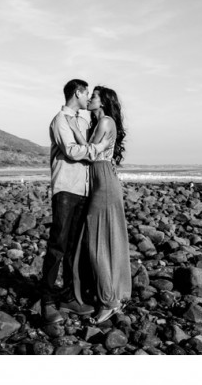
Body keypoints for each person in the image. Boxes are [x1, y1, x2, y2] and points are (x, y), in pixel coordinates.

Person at [41, 79, 110, 325]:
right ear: (78, 93)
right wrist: (95, 151)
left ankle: (70, 296)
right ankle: (47, 301)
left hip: (84, 189)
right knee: (58, 245)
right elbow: (71, 150)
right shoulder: (60, 120)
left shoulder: (84, 120)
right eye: (87, 93)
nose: (88, 97)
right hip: (66, 188)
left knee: (74, 247)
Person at [66, 85, 131, 324]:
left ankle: (109, 301)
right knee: (100, 239)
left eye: (94, 96)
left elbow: (89, 153)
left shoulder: (105, 122)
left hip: (102, 181)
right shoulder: (99, 123)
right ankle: (107, 294)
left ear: (103, 101)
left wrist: (72, 130)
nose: (90, 99)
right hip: (100, 178)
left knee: (97, 242)